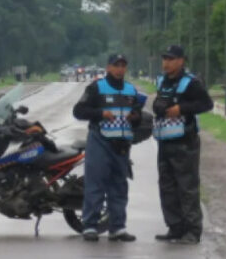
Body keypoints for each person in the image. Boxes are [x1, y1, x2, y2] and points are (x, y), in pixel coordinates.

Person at [73, 54, 143, 242]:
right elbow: (78, 111)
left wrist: (136, 118)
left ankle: (117, 227)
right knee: (95, 184)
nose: (120, 69)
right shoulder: (96, 87)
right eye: (116, 65)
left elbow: (138, 115)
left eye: (123, 65)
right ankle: (90, 226)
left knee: (119, 186)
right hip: (100, 142)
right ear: (108, 68)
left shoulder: (131, 90)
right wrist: (100, 113)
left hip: (122, 145)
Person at [153, 45, 213, 245]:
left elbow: (206, 104)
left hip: (185, 143)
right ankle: (175, 228)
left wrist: (182, 109)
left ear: (181, 61)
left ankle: (192, 231)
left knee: (187, 188)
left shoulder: (191, 83)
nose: (166, 63)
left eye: (171, 59)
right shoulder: (161, 81)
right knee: (167, 187)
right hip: (164, 141)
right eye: (165, 59)